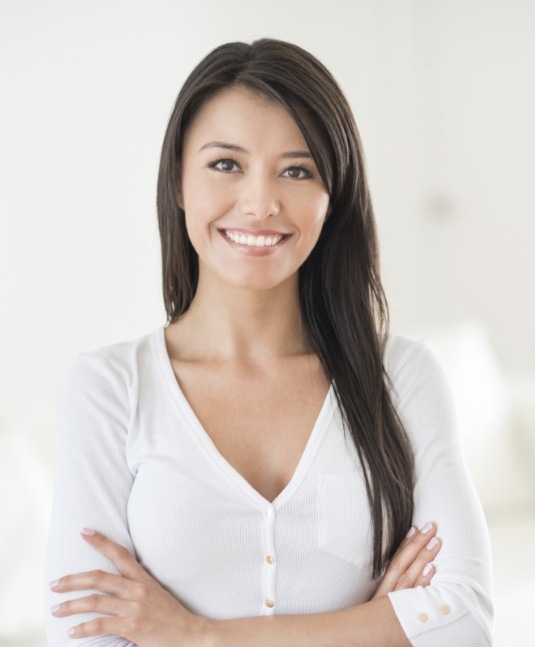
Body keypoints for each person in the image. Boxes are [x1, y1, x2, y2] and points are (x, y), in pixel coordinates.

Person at [44, 39, 493, 646]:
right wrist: (374, 630)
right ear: (177, 181)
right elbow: (85, 635)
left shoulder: (402, 377)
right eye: (226, 164)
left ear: (333, 199)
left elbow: (463, 624)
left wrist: (197, 635)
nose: (260, 204)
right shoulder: (110, 388)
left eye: (297, 170)